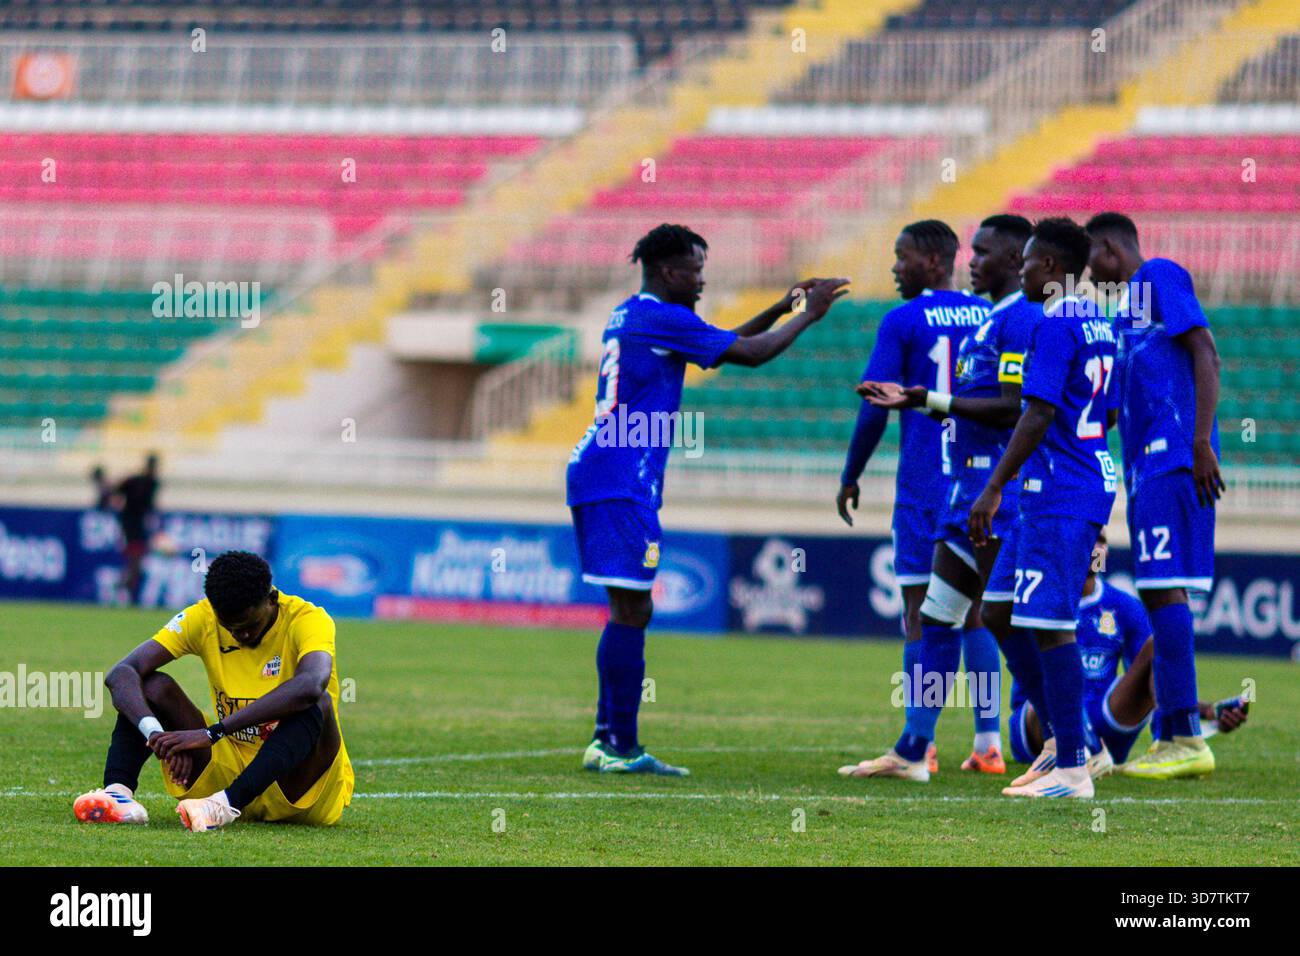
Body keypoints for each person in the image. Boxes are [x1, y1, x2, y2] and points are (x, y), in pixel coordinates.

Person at [567, 222, 849, 775]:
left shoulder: (636, 313)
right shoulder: (662, 318)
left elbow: (721, 346)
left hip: (603, 468)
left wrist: (783, 303)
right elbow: (750, 354)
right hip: (621, 476)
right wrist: (809, 314)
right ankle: (619, 745)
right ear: (670, 271)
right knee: (632, 606)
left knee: (629, 606)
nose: (702, 281)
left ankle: (607, 738)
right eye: (696, 270)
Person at [844, 214, 1038, 779]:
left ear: (930, 260)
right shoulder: (985, 316)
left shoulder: (912, 318)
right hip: (966, 486)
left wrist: (852, 470)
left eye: (901, 257)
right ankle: (964, 743)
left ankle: (1062, 742)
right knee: (959, 615)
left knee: (950, 616)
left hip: (958, 486)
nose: (894, 267)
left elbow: (877, 403)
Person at [969, 217, 1120, 798]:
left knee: (1053, 625)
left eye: (1029, 261)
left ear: (1051, 268)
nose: (1022, 269)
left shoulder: (1056, 323)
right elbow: (1103, 415)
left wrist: (993, 487)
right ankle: (1068, 736)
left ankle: (1074, 768)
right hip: (1062, 484)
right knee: (1000, 612)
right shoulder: (1098, 322)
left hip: (1061, 490)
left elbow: (1035, 413)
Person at [1085, 212, 1224, 780]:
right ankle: (1173, 734)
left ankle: (1186, 736)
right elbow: (1114, 409)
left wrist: (1200, 443)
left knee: (1165, 592)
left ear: (1111, 247)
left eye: (1090, 255)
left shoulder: (1159, 276)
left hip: (1175, 459)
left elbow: (1206, 353)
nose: (1088, 268)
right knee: (1161, 590)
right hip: (1144, 469)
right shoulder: (1123, 318)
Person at [73, 551, 353, 830]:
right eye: (229, 628)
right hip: (227, 771)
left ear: (271, 599)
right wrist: (156, 735)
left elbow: (311, 684)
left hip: (299, 785)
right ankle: (117, 793)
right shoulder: (202, 617)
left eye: (249, 626)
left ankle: (224, 805)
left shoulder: (308, 619)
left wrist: (213, 732)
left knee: (317, 701)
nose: (240, 635)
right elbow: (122, 673)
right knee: (150, 685)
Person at [1009, 531, 1249, 767]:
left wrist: (1208, 711)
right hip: (1041, 719)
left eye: (1101, 540)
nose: (1095, 546)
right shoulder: (1038, 598)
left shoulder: (1123, 607)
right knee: (1050, 690)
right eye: (1086, 536)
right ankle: (1057, 746)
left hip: (1102, 718)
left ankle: (1169, 740)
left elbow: (1157, 677)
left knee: (1160, 642)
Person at [115, 453, 161, 605]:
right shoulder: (137, 481)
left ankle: (125, 591)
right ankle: (123, 589)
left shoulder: (148, 482)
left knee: (137, 565)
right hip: (130, 526)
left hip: (138, 527)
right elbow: (117, 491)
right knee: (136, 564)